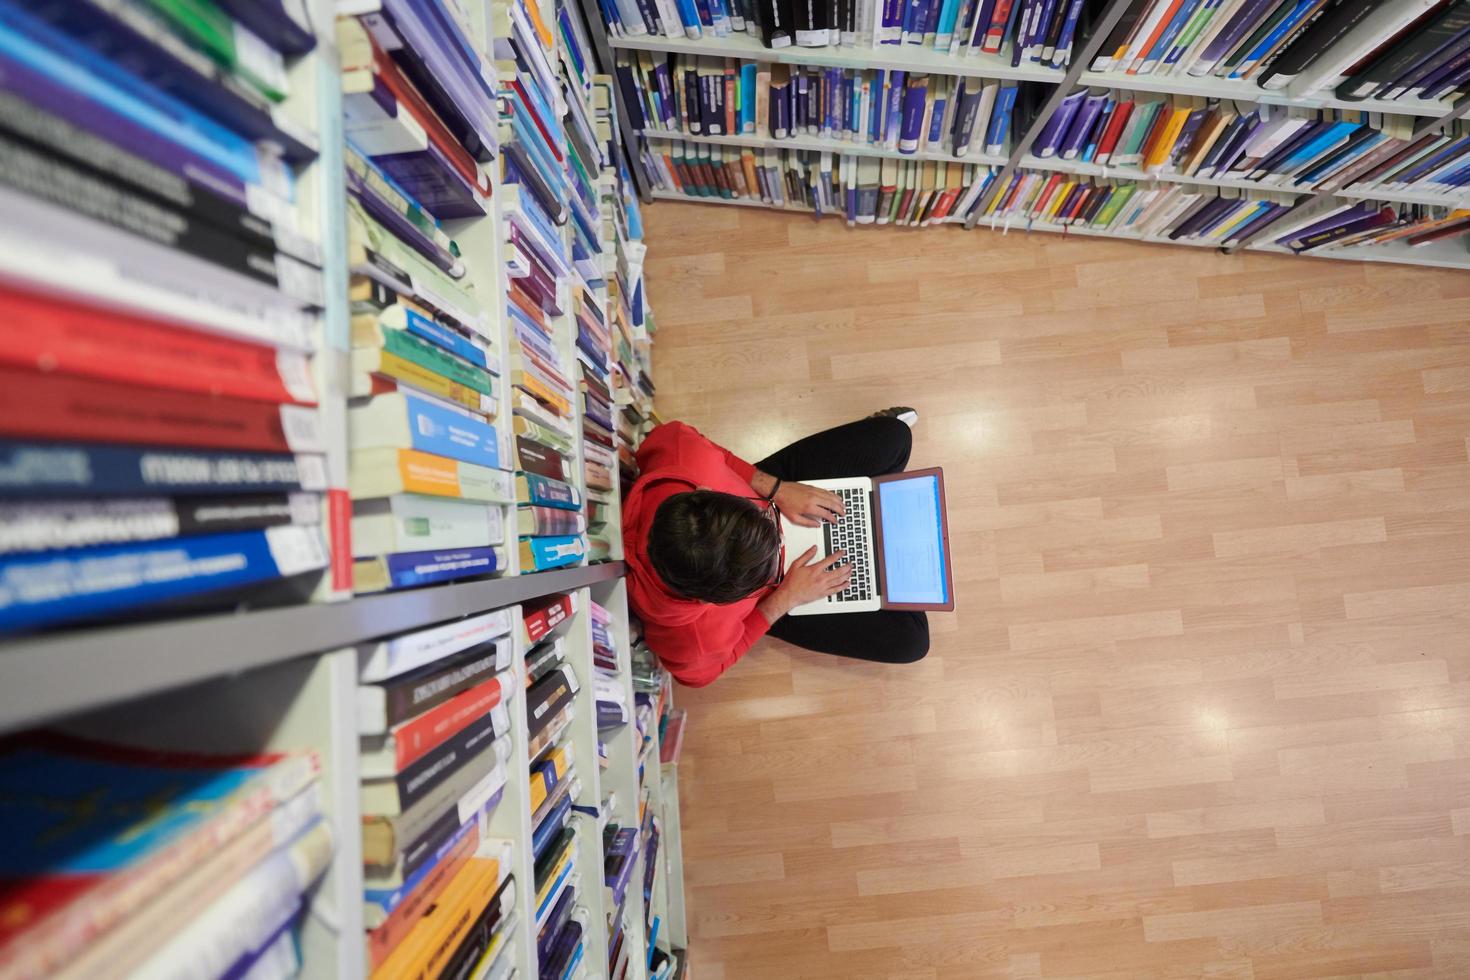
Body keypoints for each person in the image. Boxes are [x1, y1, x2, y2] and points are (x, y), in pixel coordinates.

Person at [622, 409, 930, 687]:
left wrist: (776, 490)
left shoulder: (686, 459)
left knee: (895, 435)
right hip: (784, 595)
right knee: (911, 642)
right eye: (763, 572)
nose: (783, 541)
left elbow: (689, 441)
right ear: (710, 601)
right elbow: (703, 675)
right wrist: (784, 598)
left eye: (760, 519)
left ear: (706, 491)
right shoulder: (694, 641)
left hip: (777, 498)